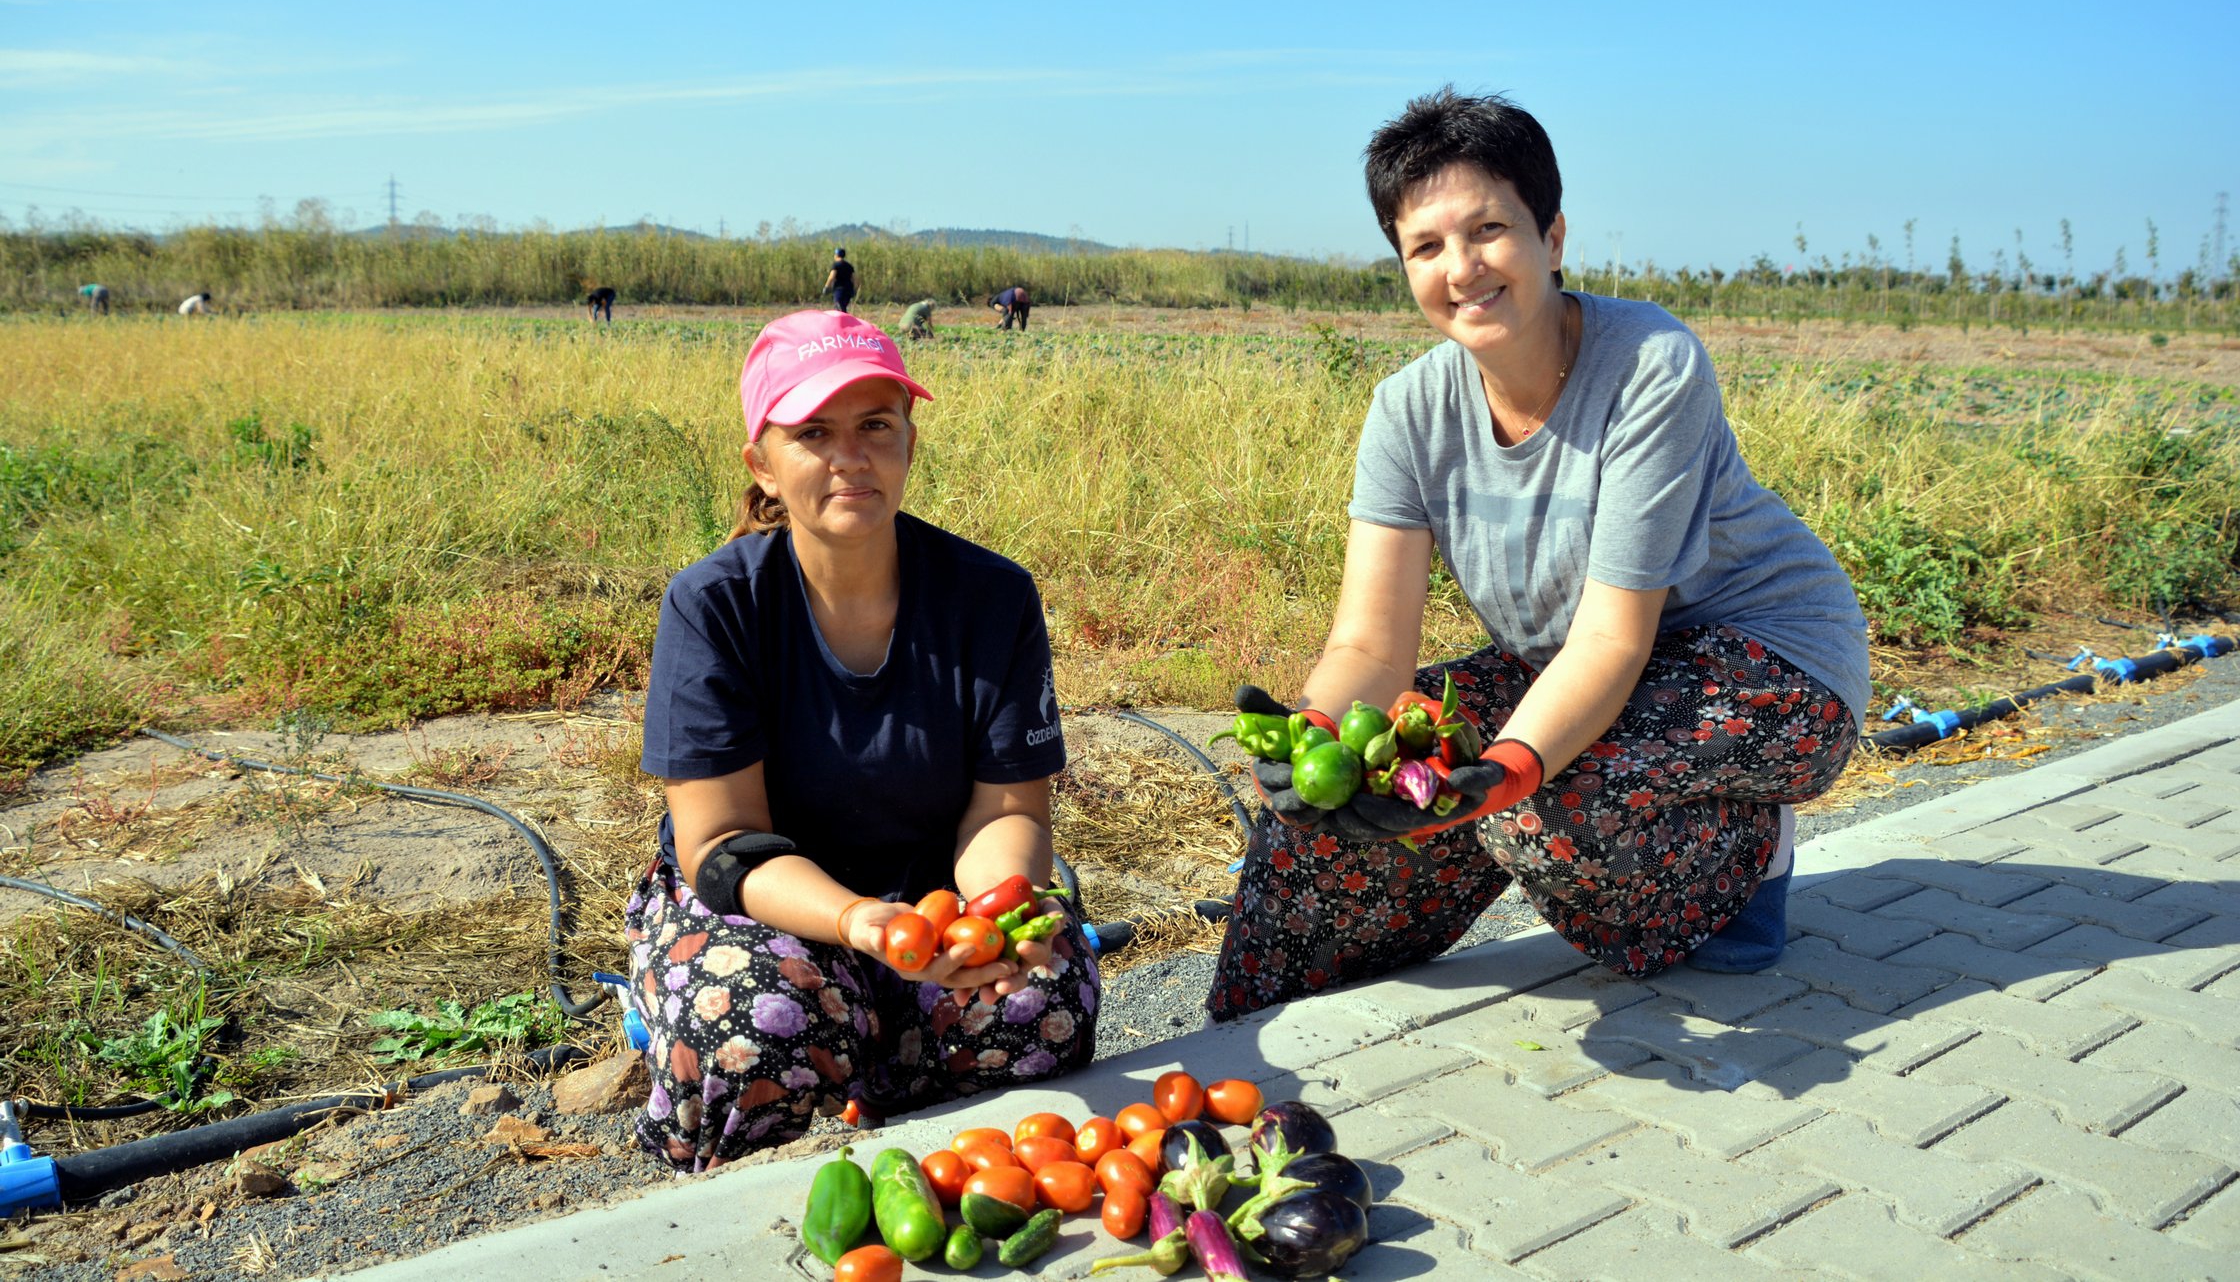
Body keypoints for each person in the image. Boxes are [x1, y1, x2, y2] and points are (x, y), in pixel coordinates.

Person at [1207, 89, 1869, 1021]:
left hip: (1768, 661)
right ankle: (1240, 1046)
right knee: (1339, 814)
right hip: (1580, 667)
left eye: (1489, 229)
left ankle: (1744, 857)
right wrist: (1316, 736)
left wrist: (1511, 768)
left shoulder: (1650, 364)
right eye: (1426, 246)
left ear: (1552, 236)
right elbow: (1370, 646)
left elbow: (1613, 641)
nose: (1463, 268)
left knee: (1531, 800)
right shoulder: (1408, 410)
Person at [624, 309, 1096, 1169]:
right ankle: (726, 1196)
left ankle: (929, 1157)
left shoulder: (991, 598)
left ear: (909, 443)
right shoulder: (715, 606)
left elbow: (1008, 807)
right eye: (814, 432)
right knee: (753, 1024)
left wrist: (992, 920)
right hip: (774, 908)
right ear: (763, 465)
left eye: (876, 425)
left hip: (929, 898)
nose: (852, 455)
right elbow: (721, 845)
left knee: (1037, 1000)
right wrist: (856, 920)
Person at [822, 248, 858, 314]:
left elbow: (831, 277)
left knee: (839, 309)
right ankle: (846, 322)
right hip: (848, 289)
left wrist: (826, 287)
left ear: (836, 255)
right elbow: (854, 279)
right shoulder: (849, 266)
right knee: (843, 307)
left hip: (839, 290)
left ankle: (844, 323)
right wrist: (855, 289)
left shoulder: (836, 265)